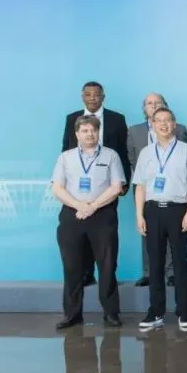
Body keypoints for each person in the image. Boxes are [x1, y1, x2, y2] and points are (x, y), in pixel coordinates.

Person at [52, 115, 126, 329]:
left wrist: (92, 206)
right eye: (84, 131)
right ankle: (72, 314)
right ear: (77, 134)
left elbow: (116, 187)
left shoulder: (111, 155)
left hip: (102, 215)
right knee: (72, 266)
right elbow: (57, 188)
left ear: (98, 132)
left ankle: (111, 313)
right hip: (72, 215)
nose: (89, 134)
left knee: (107, 265)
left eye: (93, 130)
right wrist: (79, 205)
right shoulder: (65, 157)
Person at [132, 107, 187, 332]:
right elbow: (140, 186)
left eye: (167, 120)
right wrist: (139, 215)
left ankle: (184, 311)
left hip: (177, 210)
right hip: (152, 211)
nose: (163, 124)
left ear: (174, 124)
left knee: (180, 262)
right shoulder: (146, 153)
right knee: (155, 263)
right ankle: (156, 311)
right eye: (158, 120)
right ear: (152, 124)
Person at [61, 81, 130, 288]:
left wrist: (124, 182)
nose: (92, 98)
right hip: (78, 193)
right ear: (82, 96)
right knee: (80, 235)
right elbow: (65, 149)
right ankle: (86, 274)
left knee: (106, 236)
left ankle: (108, 278)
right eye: (88, 94)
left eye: (96, 94)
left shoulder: (117, 119)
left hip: (107, 187)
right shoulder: (72, 118)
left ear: (103, 97)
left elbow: (124, 152)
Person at [128, 93, 187, 288]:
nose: (153, 106)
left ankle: (171, 272)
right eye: (149, 103)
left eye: (158, 103)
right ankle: (149, 272)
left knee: (173, 232)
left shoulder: (180, 129)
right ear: (144, 108)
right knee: (146, 229)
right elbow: (132, 158)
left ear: (166, 106)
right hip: (145, 188)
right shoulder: (134, 131)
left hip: (173, 189)